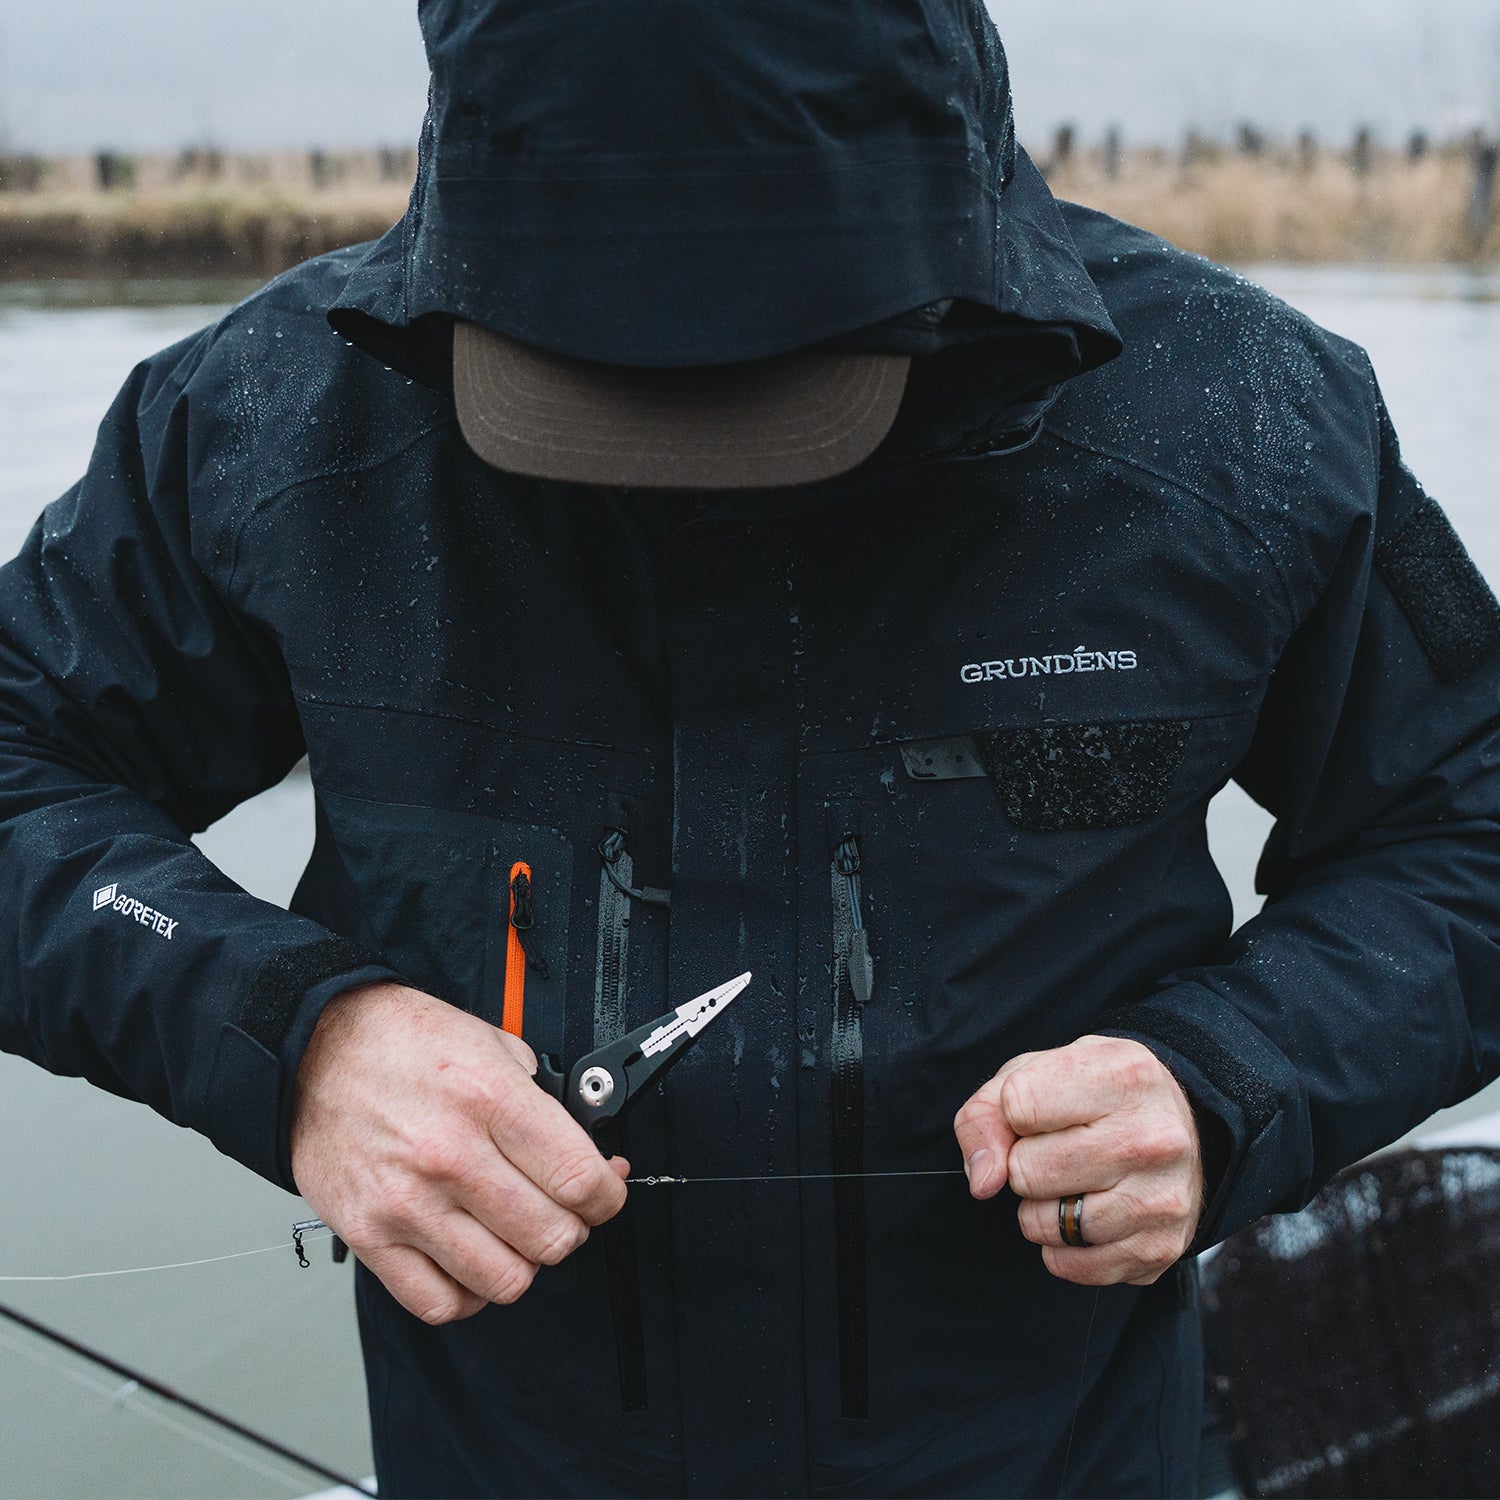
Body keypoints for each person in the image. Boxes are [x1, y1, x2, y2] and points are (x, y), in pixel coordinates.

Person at [2, 3, 1499, 1495]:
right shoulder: (266, 429)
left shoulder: (1245, 426)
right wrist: (298, 1040)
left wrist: (1225, 1078)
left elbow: (1470, 827)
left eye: (764, 382)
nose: (684, 437)